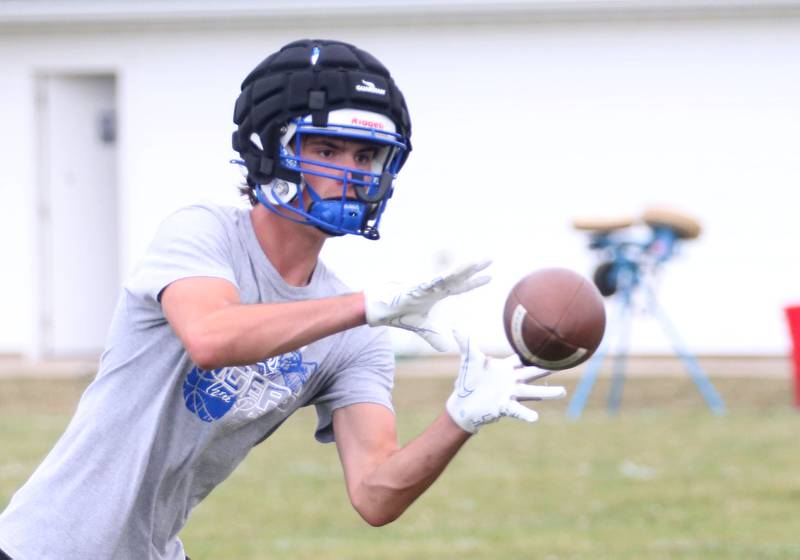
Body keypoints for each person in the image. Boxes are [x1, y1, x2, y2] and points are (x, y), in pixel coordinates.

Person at [0, 39, 565, 560]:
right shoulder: (203, 234)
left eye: (365, 157)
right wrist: (365, 307)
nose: (349, 174)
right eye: (326, 148)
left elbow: (375, 494)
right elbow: (211, 337)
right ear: (270, 149)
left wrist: (457, 419)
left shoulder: (357, 329)